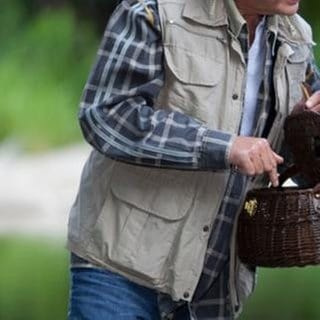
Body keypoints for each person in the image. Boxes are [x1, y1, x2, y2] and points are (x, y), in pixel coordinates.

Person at [67, 0, 320, 319]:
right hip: (119, 269)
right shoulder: (153, 12)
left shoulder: (297, 37)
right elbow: (106, 116)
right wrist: (224, 147)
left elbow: (286, 160)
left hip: (216, 284)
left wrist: (308, 128)